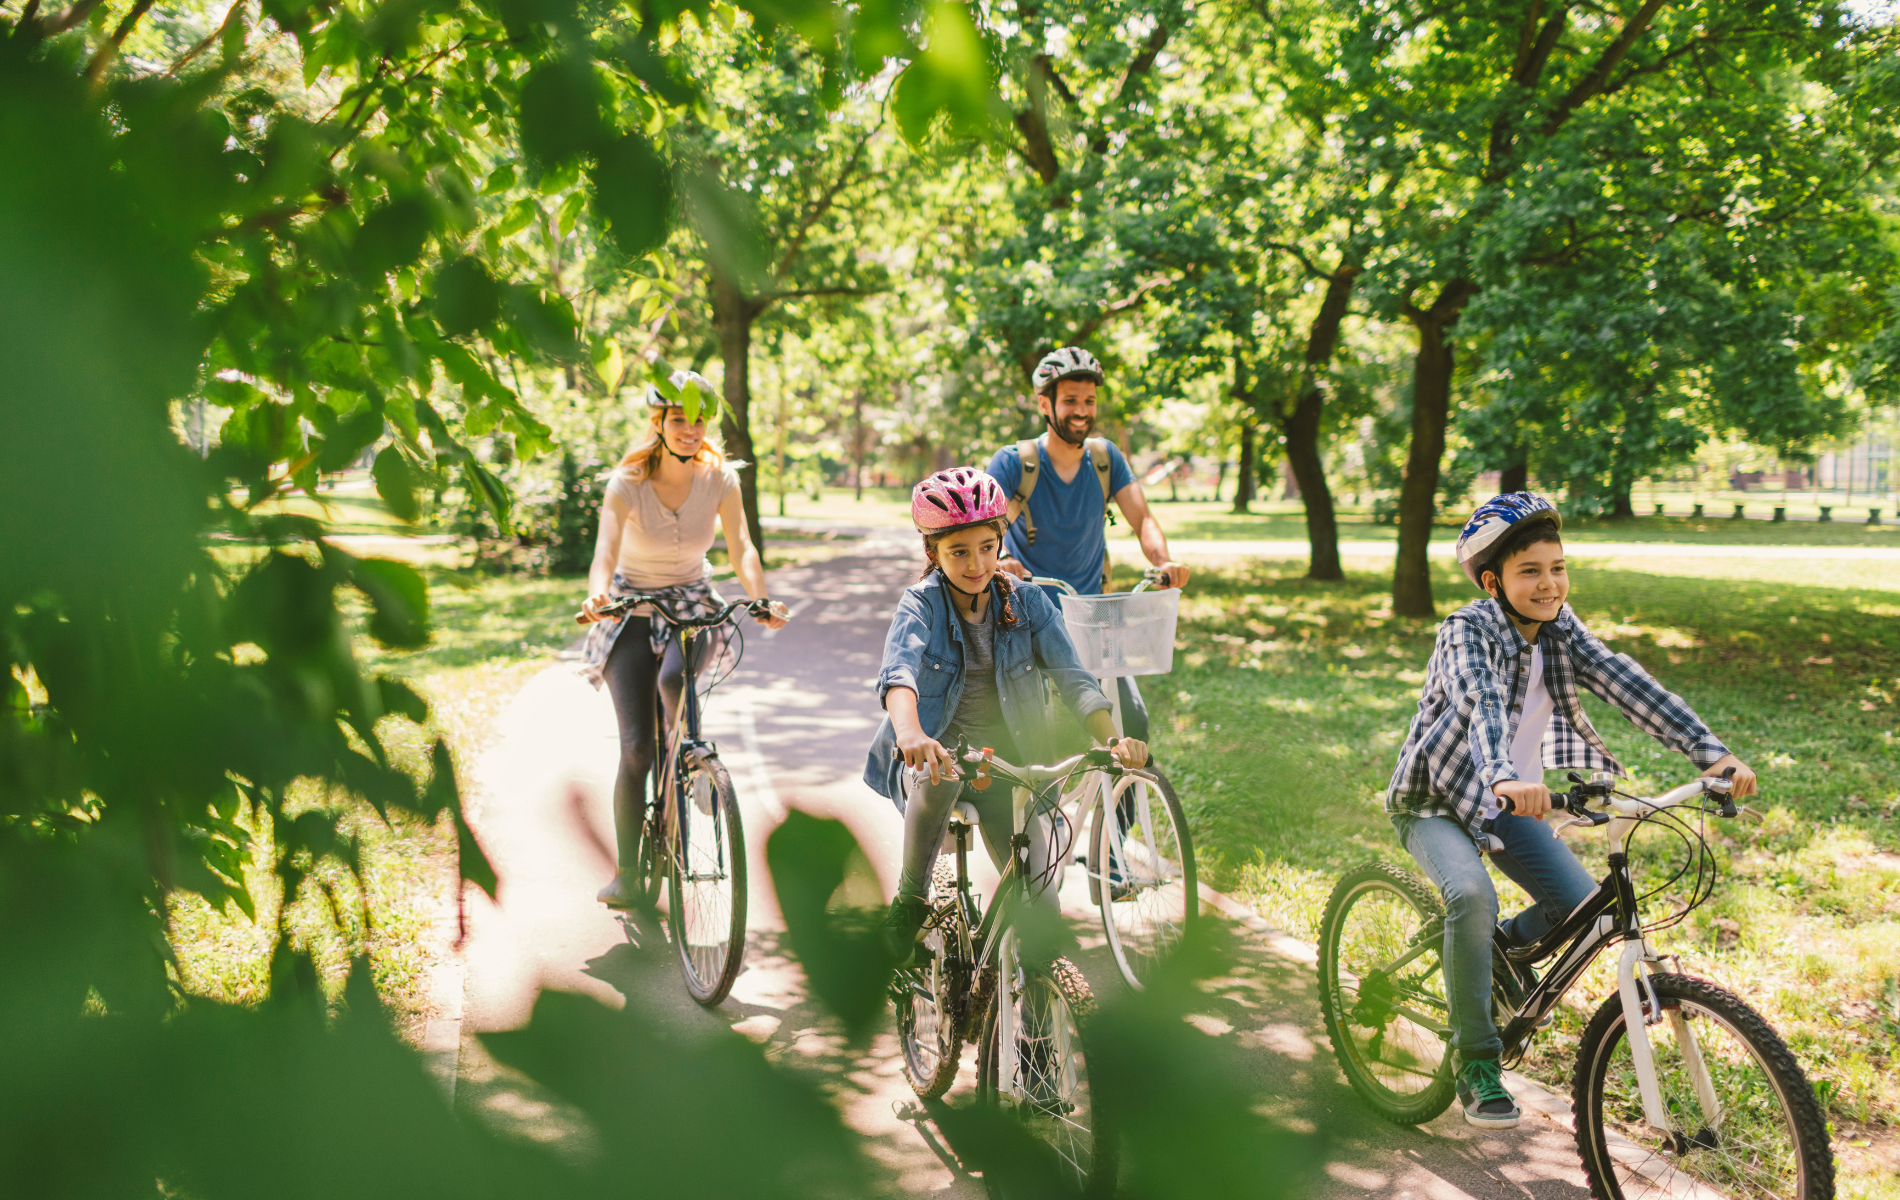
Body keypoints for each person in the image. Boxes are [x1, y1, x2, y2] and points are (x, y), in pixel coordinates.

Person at [1386, 492, 1757, 1129]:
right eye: (1530, 571)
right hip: (1438, 800)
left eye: (1557, 567)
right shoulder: (1465, 631)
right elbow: (1482, 706)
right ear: (1492, 580)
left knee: (1582, 908)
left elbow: (1626, 681)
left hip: (1507, 799)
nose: (1549, 583)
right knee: (1472, 897)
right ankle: (1475, 1059)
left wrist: (1711, 755)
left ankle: (1487, 955)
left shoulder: (1562, 629)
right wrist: (1505, 774)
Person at [867, 467, 1148, 958]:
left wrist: (1111, 739)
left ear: (1000, 543)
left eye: (986, 547)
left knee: (1041, 909)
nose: (976, 563)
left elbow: (1073, 678)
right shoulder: (921, 605)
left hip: (1004, 765)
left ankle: (1038, 1029)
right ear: (933, 553)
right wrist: (910, 733)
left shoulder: (1029, 603)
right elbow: (899, 675)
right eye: (958, 551)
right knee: (941, 774)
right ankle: (910, 896)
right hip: (935, 756)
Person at [578, 370, 789, 909]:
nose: (690, 430)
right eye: (678, 420)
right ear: (659, 424)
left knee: (676, 678)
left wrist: (760, 596)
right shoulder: (626, 482)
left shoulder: (721, 480)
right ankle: (628, 873)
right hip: (629, 607)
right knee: (636, 750)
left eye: (699, 420)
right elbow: (605, 548)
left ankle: (692, 763)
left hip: (693, 600)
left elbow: (741, 546)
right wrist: (597, 593)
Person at [985, 346, 1188, 743]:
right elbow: (989, 530)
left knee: (1132, 724)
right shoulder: (1015, 463)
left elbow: (1142, 518)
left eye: (1090, 401)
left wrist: (1165, 562)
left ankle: (1124, 805)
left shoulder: (1105, 459)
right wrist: (1004, 557)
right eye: (1071, 401)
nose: (1082, 411)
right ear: (1045, 404)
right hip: (1031, 618)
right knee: (1034, 735)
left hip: (1092, 618)